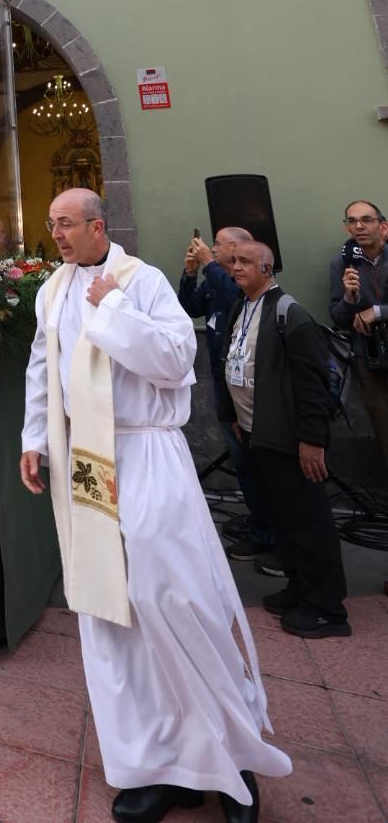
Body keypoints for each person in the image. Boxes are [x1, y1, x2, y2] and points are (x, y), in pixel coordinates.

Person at [21, 188, 290, 823]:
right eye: (52, 224)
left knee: (175, 596)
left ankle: (232, 762)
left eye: (67, 224)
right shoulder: (52, 289)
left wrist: (111, 305)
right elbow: (43, 365)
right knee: (110, 607)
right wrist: (35, 437)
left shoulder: (138, 282)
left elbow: (176, 361)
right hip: (87, 459)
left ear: (97, 225)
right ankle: (156, 763)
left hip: (147, 454)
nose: (57, 235)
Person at [221, 240, 349, 640]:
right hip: (258, 435)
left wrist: (312, 441)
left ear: (268, 267)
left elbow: (313, 386)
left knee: (308, 523)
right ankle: (300, 589)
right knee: (282, 520)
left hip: (291, 441)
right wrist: (239, 420)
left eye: (245, 262)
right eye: (233, 261)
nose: (236, 267)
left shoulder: (288, 312)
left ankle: (328, 609)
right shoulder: (241, 307)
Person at [179, 228, 277, 569]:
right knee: (243, 463)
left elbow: (231, 293)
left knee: (258, 465)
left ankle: (270, 533)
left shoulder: (239, 283)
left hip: (249, 390)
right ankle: (260, 523)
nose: (213, 247)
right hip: (225, 385)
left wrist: (209, 263)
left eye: (218, 244)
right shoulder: (215, 278)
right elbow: (189, 308)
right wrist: (190, 274)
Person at [329, 199, 388, 461]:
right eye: (351, 221)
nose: (359, 226)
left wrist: (376, 312)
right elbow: (339, 318)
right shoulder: (341, 264)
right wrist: (350, 299)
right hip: (369, 360)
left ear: (383, 227)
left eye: (366, 220)